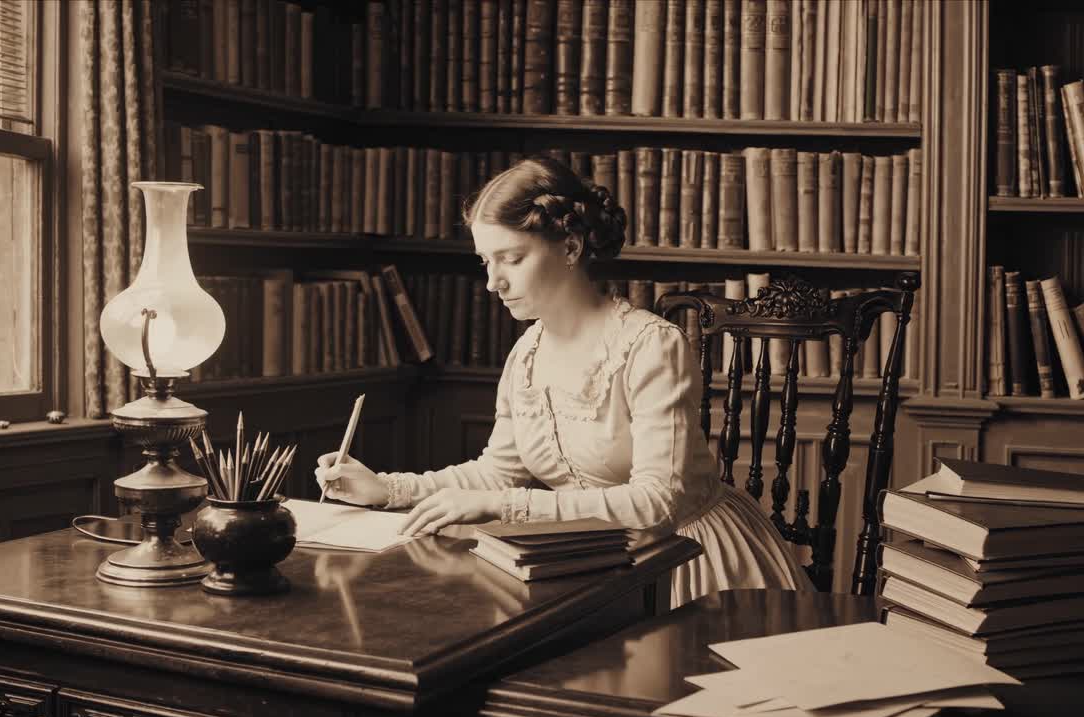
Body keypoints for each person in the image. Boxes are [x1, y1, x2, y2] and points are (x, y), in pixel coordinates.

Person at [316, 157, 809, 607]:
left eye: (511, 258)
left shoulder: (652, 346)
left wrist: (502, 505)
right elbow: (497, 474)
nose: (492, 283)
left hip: (689, 564)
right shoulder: (527, 353)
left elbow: (659, 502)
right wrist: (385, 489)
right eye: (485, 261)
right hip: (588, 562)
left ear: (571, 247)